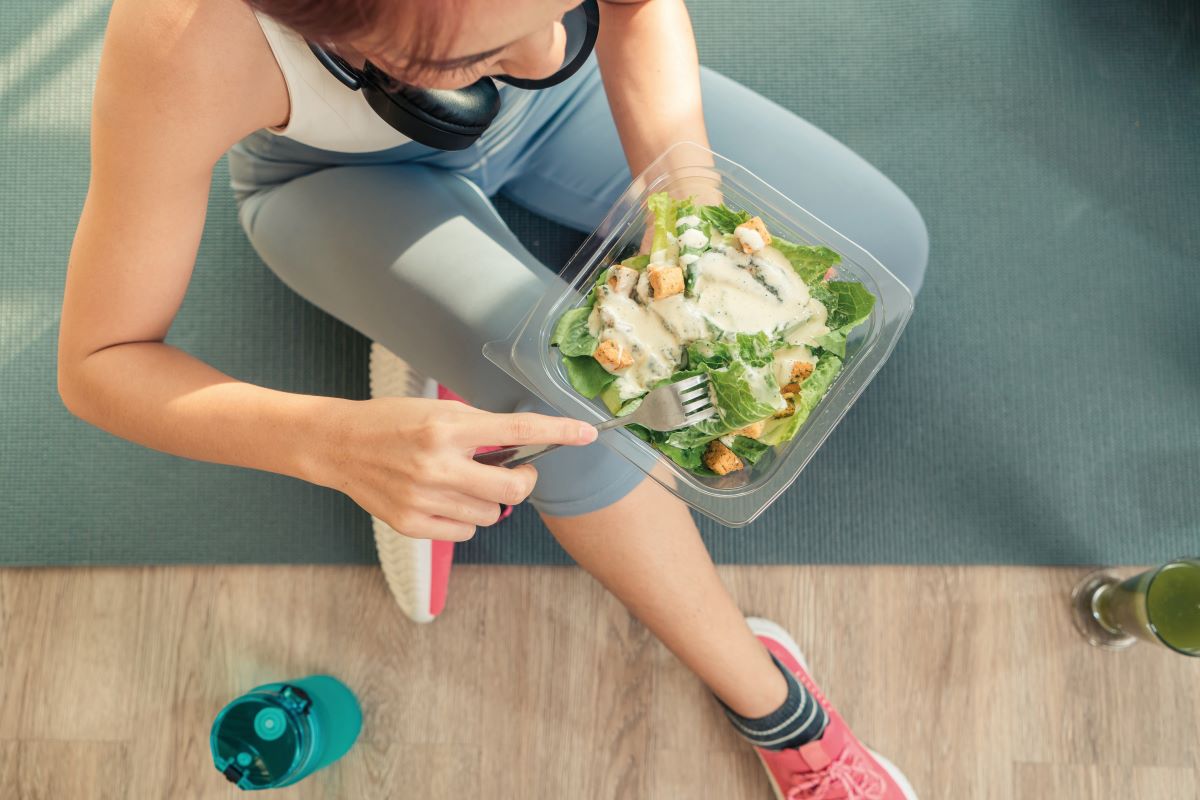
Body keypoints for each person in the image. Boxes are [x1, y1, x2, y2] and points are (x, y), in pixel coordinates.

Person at [57, 0, 928, 796]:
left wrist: (692, 224)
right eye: (486, 47)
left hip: (562, 110)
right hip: (336, 179)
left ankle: (441, 332)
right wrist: (336, 442)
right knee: (574, 429)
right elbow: (100, 362)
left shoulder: (546, 47)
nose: (550, 43)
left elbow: (635, 10)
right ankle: (781, 713)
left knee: (883, 254)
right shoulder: (184, 40)